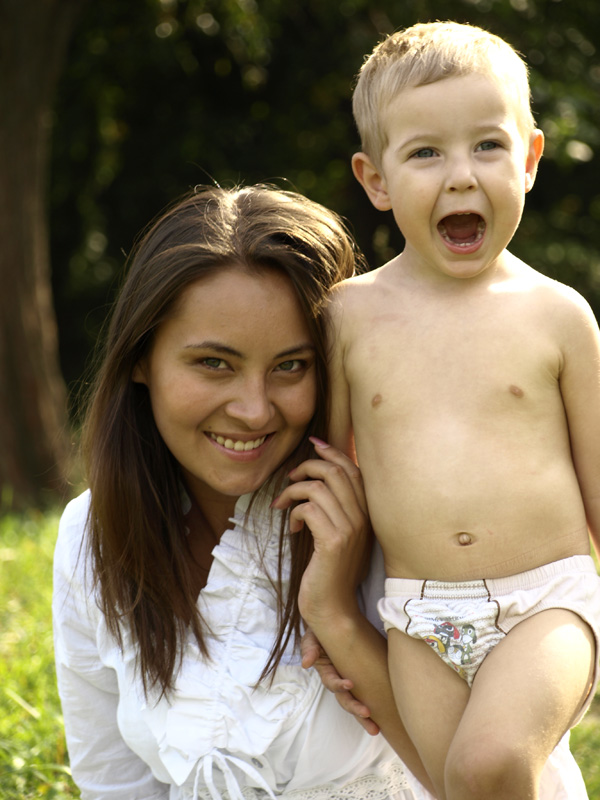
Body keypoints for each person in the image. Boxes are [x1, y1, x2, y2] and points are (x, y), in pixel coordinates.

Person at [52, 184, 436, 800]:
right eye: (214, 363)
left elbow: (476, 772)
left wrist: (336, 616)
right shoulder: (90, 538)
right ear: (141, 359)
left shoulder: (401, 515)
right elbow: (114, 783)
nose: (255, 410)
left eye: (291, 366)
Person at [310, 20, 600, 800]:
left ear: (532, 159)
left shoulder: (558, 315)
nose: (462, 176)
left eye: (488, 146)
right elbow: (330, 472)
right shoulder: (349, 317)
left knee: (488, 767)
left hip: (546, 600)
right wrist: (319, 600)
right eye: (426, 152)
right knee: (459, 790)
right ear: (375, 179)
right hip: (416, 617)